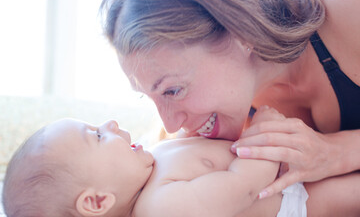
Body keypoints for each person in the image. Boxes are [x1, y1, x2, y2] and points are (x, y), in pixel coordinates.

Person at [99, 0, 360, 205]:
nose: (170, 122)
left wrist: (338, 152)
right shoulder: (226, 131)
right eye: (149, 96)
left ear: (240, 31)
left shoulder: (345, 0)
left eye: (173, 90)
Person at [3, 107, 310, 217]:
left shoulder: (144, 168)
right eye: (96, 136)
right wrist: (266, 136)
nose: (109, 123)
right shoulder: (159, 208)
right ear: (97, 201)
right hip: (298, 201)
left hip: (287, 176)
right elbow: (241, 188)